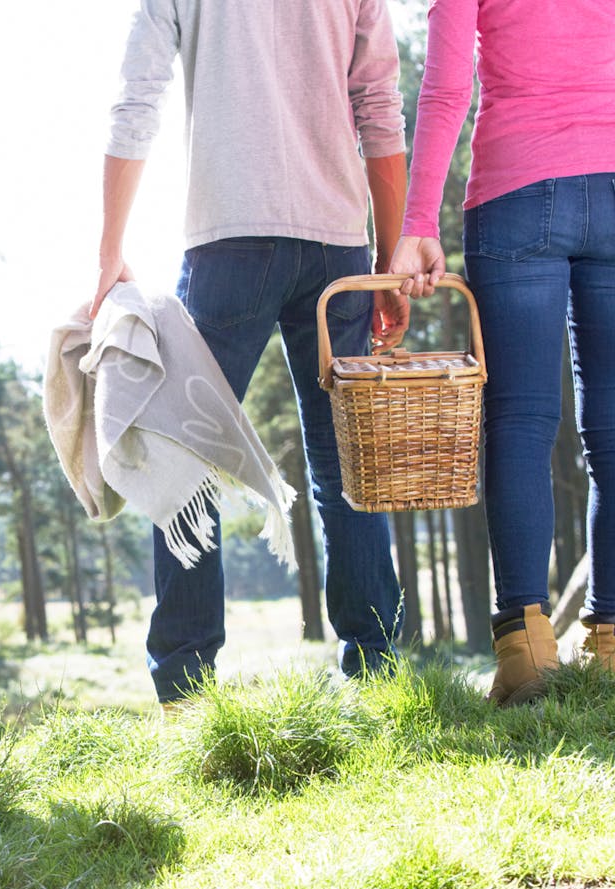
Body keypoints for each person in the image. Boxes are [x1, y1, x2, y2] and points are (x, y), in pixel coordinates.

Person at [95, 0, 410, 705]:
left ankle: (186, 690)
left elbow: (135, 99)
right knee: (343, 463)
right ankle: (378, 673)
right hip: (339, 246)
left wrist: (109, 252)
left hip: (228, 242)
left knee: (184, 461)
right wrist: (387, 259)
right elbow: (380, 108)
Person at [389, 1, 615, 705]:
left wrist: (419, 220)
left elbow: (448, 82)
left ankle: (525, 651)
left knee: (519, 422)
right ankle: (610, 643)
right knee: (611, 429)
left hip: (517, 189)